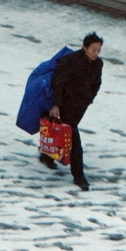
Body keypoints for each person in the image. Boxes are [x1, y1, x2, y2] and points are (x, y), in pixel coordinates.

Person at [39, 32, 104, 191]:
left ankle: (46, 156)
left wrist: (89, 99)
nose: (96, 53)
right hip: (64, 104)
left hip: (80, 106)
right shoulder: (70, 61)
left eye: (98, 50)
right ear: (84, 47)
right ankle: (79, 176)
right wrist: (56, 105)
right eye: (93, 49)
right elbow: (58, 82)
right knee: (74, 140)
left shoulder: (98, 63)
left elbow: (97, 83)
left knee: (61, 131)